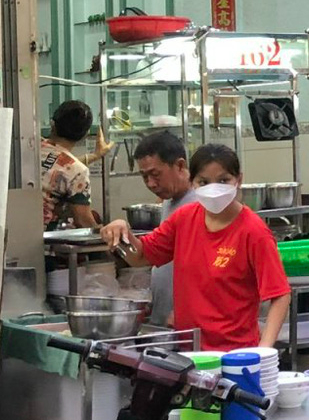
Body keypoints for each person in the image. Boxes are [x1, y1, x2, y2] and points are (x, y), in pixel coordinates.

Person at [98, 144, 288, 352]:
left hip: (235, 353)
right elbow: (141, 256)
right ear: (193, 183)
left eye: (223, 180)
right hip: (188, 350)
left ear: (239, 180)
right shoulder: (184, 219)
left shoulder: (253, 231)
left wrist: (264, 349)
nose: (213, 188)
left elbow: (279, 294)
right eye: (204, 182)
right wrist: (122, 232)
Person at [132, 128, 199, 329]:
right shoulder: (169, 201)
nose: (151, 183)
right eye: (144, 177)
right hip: (167, 318)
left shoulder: (197, 204)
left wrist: (184, 310)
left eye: (155, 174)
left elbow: (204, 268)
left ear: (180, 165)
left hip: (187, 320)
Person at [40, 99, 103, 228]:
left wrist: (94, 156)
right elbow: (83, 221)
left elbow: (56, 166)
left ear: (52, 124)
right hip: (40, 239)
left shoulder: (32, 146)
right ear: (85, 134)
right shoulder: (78, 171)